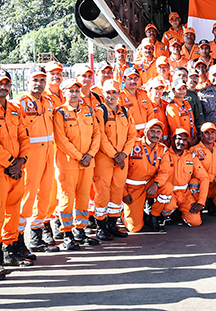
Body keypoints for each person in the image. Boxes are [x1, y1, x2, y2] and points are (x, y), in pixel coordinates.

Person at [0, 69, 31, 270]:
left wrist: (21, 161)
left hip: (16, 170)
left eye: (7, 83)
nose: (3, 87)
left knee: (13, 210)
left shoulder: (14, 108)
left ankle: (10, 249)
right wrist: (10, 162)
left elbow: (24, 136)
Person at [53, 78, 101, 250]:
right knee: (67, 198)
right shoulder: (59, 113)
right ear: (63, 93)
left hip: (87, 162)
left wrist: (89, 155)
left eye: (76, 90)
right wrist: (80, 156)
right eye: (70, 90)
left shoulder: (88, 111)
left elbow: (97, 135)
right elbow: (61, 139)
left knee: (83, 198)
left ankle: (80, 230)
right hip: (69, 163)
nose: (74, 94)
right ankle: (67, 233)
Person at [18, 65, 60, 253]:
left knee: (46, 193)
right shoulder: (20, 103)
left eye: (42, 80)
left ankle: (37, 233)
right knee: (28, 195)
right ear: (28, 81)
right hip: (31, 154)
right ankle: (17, 237)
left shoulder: (49, 101)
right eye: (35, 79)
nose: (39, 83)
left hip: (48, 152)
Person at [93, 80, 137, 240]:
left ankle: (112, 223)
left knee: (117, 191)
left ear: (119, 93)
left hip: (121, 159)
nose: (111, 95)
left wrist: (124, 154)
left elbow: (132, 135)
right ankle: (101, 226)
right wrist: (115, 155)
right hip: (105, 159)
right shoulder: (99, 112)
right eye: (108, 92)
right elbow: (101, 136)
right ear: (103, 94)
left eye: (115, 92)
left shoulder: (125, 111)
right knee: (102, 192)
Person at [149, 128, 211, 228]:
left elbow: (204, 177)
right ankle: (166, 214)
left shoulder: (191, 156)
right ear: (173, 140)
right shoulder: (165, 154)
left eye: (184, 140)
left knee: (195, 222)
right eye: (178, 138)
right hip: (168, 193)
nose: (181, 142)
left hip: (185, 194)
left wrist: (201, 202)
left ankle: (180, 214)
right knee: (168, 207)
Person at [122, 119, 172, 233]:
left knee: (167, 187)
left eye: (158, 132)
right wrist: (124, 193)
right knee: (135, 228)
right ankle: (124, 212)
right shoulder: (133, 145)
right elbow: (121, 171)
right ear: (145, 132)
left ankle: (153, 217)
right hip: (132, 188)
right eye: (152, 131)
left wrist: (156, 184)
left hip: (150, 185)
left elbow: (164, 171)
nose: (155, 134)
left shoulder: (163, 149)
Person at [192, 123, 216, 215]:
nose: (210, 135)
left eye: (212, 132)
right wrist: (213, 178)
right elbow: (194, 172)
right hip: (201, 184)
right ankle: (198, 205)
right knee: (193, 183)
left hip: (215, 185)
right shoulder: (194, 150)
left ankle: (212, 203)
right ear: (202, 134)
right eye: (207, 133)